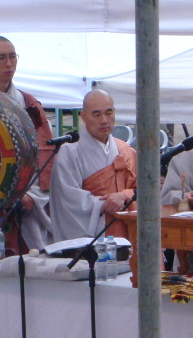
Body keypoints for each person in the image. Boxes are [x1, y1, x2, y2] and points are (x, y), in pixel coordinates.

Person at [0, 36, 55, 251]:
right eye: (1, 58)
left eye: (12, 57)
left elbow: (44, 152)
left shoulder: (28, 103)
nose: (8, 63)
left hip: (28, 191)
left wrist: (31, 193)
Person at [50, 89, 137, 241]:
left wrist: (124, 195)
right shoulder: (70, 152)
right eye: (96, 115)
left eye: (108, 113)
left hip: (128, 232)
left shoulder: (126, 151)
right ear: (83, 116)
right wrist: (105, 204)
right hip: (94, 239)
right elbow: (68, 200)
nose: (104, 120)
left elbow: (146, 191)